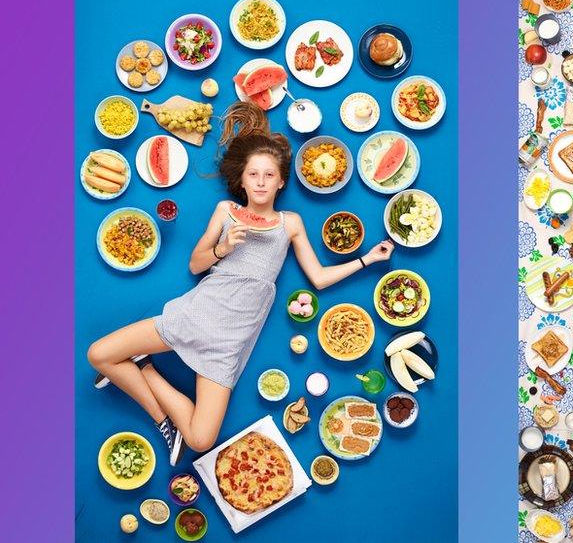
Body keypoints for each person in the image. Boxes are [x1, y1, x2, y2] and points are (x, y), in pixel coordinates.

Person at [88, 101, 394, 465]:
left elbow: (319, 278)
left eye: (269, 175)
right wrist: (223, 247)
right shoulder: (224, 212)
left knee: (201, 440)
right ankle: (159, 414)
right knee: (99, 355)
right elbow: (195, 264)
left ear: (281, 181)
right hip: (198, 312)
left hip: (231, 341)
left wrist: (367, 259)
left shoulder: (291, 223)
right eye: (253, 174)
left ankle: (145, 367)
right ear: (242, 179)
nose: (261, 182)